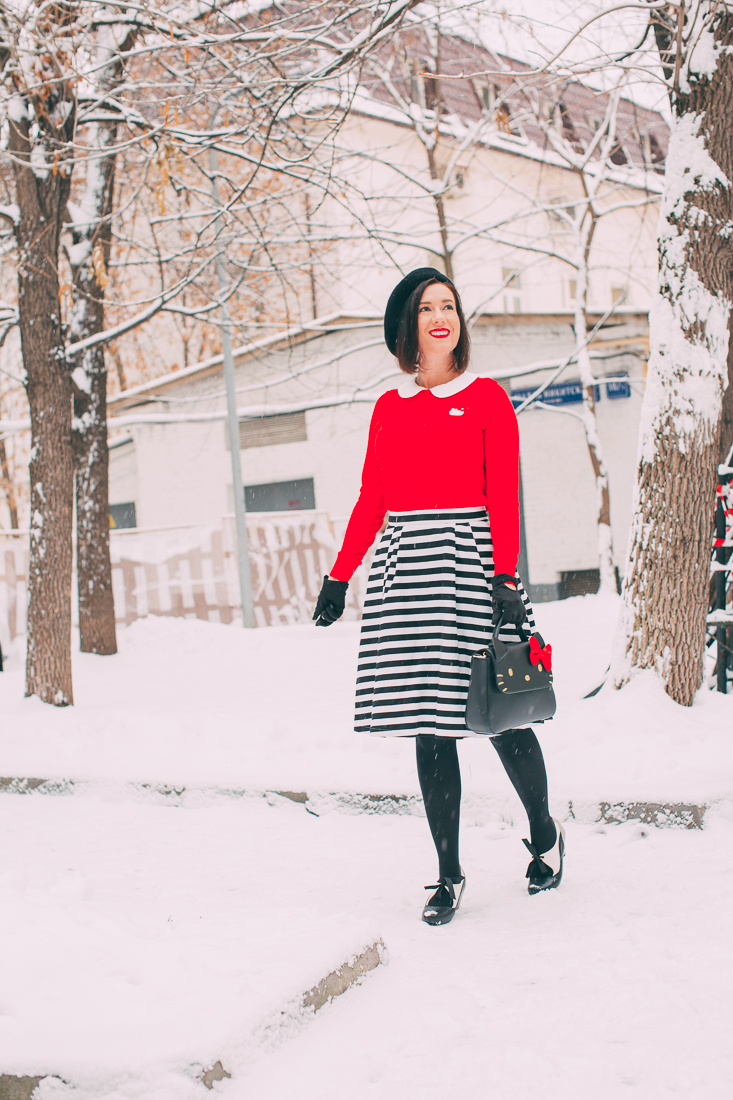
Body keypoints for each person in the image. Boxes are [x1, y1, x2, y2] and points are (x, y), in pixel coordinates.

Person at [313, 267, 564, 926]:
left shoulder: (486, 398)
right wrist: (340, 576)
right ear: (409, 326)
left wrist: (505, 578)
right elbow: (375, 497)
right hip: (409, 574)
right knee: (429, 728)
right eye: (427, 307)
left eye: (448, 304)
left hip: (473, 567)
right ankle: (448, 875)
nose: (439, 316)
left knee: (498, 714)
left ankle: (544, 836)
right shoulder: (390, 408)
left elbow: (501, 492)